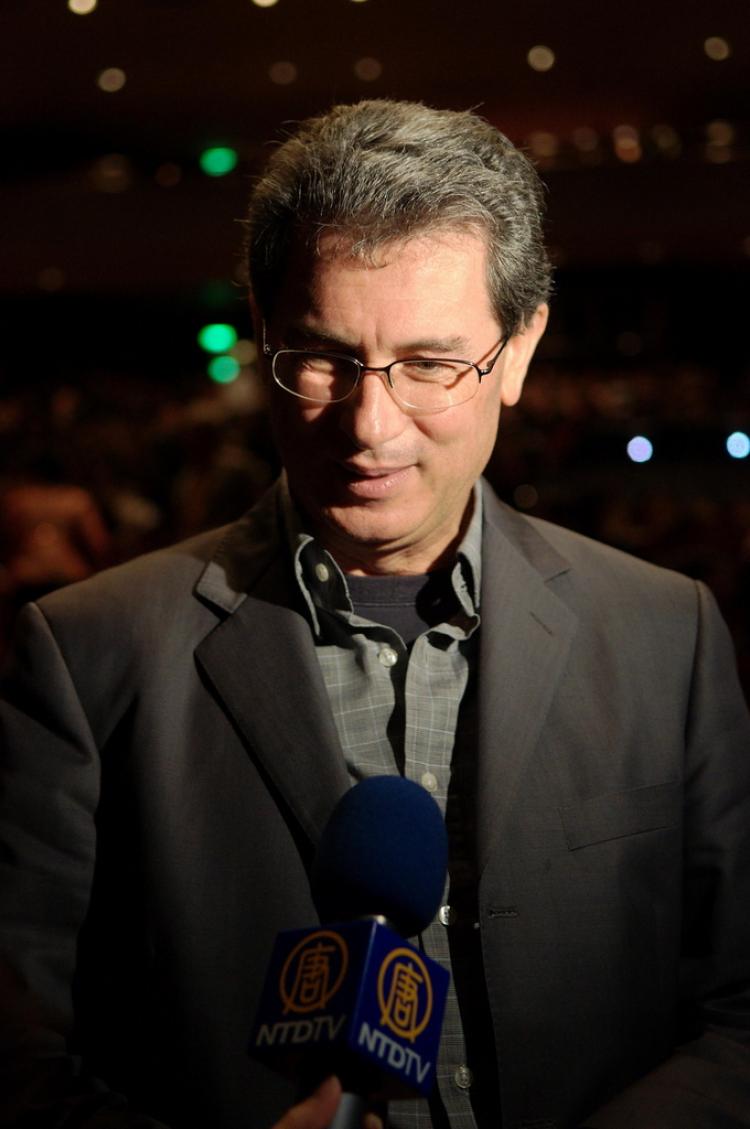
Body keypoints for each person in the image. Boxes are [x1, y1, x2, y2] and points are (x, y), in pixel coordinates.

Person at [1, 99, 749, 1129]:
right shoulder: (89, 654)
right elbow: (18, 1054)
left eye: (430, 365)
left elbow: (739, 1010)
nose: (370, 425)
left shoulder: (668, 633)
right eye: (322, 358)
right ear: (263, 331)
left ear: (519, 350)